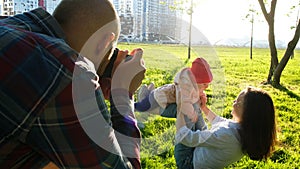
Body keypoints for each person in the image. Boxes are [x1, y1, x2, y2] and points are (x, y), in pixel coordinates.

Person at [0, 0, 145, 169]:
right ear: (104, 42)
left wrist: (94, 94)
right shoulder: (68, 75)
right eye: (110, 52)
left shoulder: (10, 26)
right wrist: (122, 91)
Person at [174, 86, 277, 169]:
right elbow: (218, 120)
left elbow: (189, 139)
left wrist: (181, 124)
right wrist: (203, 107)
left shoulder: (228, 135)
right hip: (199, 150)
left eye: (237, 101)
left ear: (247, 112)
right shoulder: (243, 131)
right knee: (194, 107)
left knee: (185, 109)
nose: (233, 102)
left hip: (188, 160)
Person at [134, 57, 213, 130]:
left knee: (148, 99)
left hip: (165, 94)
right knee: (143, 107)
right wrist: (191, 114)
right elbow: (184, 102)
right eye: (204, 84)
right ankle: (138, 100)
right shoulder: (185, 87)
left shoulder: (196, 84)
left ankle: (148, 92)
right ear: (196, 81)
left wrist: (201, 97)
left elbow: (194, 95)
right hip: (158, 97)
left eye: (208, 84)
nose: (206, 87)